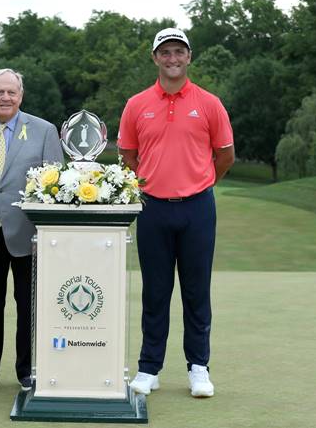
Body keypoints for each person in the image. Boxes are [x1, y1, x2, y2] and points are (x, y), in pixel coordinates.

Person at [118, 28, 235, 398]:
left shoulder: (209, 103)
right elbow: (128, 156)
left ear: (189, 57)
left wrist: (198, 183)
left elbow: (225, 155)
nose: (172, 58)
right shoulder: (137, 104)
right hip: (152, 208)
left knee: (196, 291)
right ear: (155, 58)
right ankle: (149, 369)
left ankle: (198, 368)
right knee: (156, 291)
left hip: (198, 208)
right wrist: (155, 182)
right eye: (165, 52)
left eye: (178, 52)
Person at [0, 69, 64, 392]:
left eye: (11, 92)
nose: (5, 98)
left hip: (29, 236)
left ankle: (29, 370)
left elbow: (55, 185)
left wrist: (44, 234)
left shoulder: (45, 131)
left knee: (29, 304)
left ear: (21, 95)